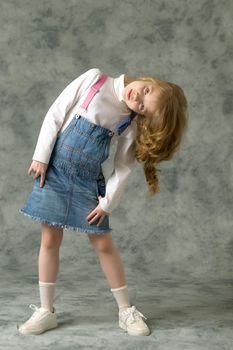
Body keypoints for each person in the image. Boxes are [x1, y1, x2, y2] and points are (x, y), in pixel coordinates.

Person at [17, 68, 188, 336]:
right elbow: (56, 113)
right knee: (50, 240)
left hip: (87, 184)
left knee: (103, 244)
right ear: (149, 81)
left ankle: (126, 311)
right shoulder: (95, 80)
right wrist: (41, 156)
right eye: (145, 92)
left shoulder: (128, 122)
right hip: (56, 174)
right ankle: (45, 310)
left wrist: (107, 203)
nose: (137, 99)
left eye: (142, 107)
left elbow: (123, 167)